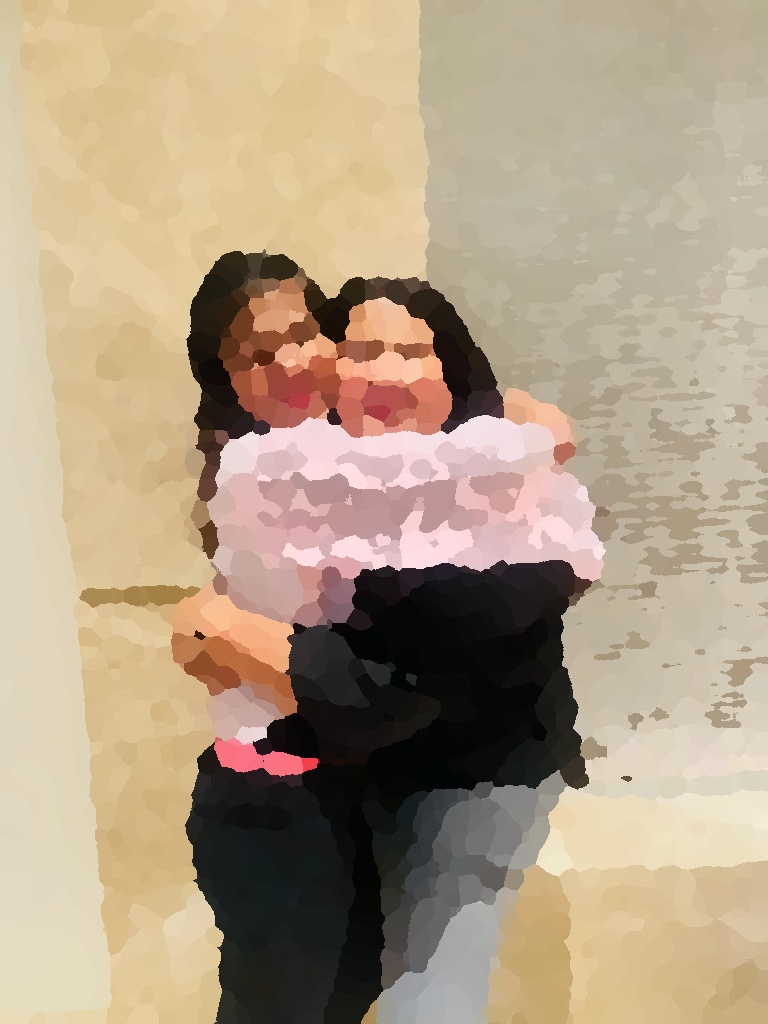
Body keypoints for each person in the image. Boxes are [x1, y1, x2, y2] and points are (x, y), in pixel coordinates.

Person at [177, 258, 602, 1023]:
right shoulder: (281, 477)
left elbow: (404, 678)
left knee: (421, 996)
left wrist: (254, 644)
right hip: (293, 793)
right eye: (365, 352)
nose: (382, 371)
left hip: (470, 780)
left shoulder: (489, 481)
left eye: (410, 352)